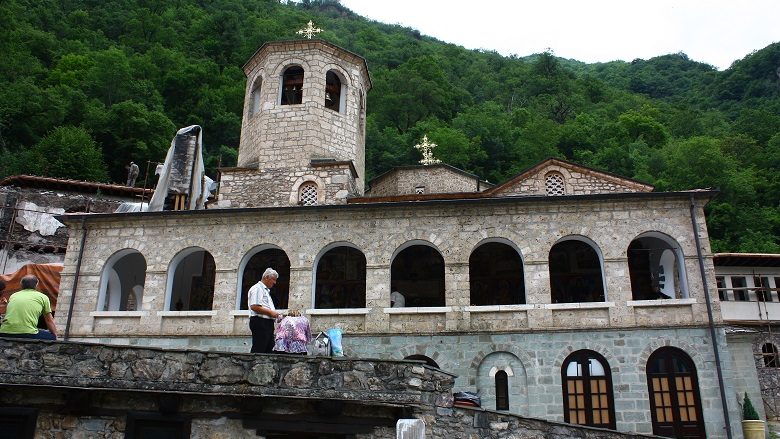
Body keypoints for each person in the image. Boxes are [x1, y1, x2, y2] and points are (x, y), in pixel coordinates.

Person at [0, 275, 57, 340]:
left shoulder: (13, 295)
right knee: (51, 336)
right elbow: (49, 320)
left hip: (4, 331)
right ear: (36, 284)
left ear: (21, 285)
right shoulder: (43, 297)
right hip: (27, 333)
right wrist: (55, 335)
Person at [248, 268, 283, 353]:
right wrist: (271, 313)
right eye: (273, 280)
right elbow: (254, 306)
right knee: (260, 347)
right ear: (267, 277)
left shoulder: (265, 290)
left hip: (266, 322)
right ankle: (255, 365)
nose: (274, 282)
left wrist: (274, 314)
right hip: (260, 321)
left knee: (269, 347)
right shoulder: (257, 288)